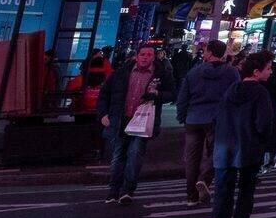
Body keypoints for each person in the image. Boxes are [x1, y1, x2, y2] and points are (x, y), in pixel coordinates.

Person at [207, 52, 276, 218]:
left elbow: (217, 116)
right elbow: (263, 124)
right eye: (268, 68)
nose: (270, 72)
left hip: (224, 147)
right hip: (248, 147)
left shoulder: (231, 90)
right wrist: (265, 142)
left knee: (223, 193)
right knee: (246, 190)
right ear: (256, 72)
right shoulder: (261, 93)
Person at [99, 43, 167, 203]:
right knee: (118, 155)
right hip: (121, 119)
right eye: (143, 54)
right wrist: (103, 114)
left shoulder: (161, 74)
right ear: (137, 56)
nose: (145, 57)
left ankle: (127, 190)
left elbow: (172, 93)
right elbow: (105, 94)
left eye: (149, 55)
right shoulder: (121, 73)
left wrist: (158, 94)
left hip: (143, 121)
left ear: (154, 57)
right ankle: (114, 190)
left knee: (135, 154)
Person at [175, 40, 237, 206]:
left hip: (193, 118)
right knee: (216, 151)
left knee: (192, 157)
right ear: (223, 53)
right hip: (218, 118)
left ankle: (191, 196)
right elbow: (235, 97)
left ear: (209, 53)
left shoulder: (194, 72)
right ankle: (204, 179)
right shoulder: (231, 73)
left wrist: (182, 116)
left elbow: (183, 97)